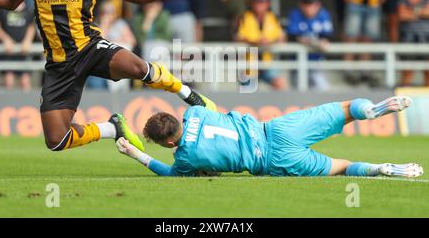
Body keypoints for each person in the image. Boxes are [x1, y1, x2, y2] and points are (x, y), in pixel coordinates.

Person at [0, 0, 214, 153]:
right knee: (56, 140)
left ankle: (187, 93)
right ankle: (112, 128)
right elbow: (10, 0)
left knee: (139, 68)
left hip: (90, 48)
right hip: (60, 65)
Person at [116, 94, 423, 178]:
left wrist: (135, 154)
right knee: (346, 108)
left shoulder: (185, 158)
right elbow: (199, 101)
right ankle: (369, 110)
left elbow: (169, 173)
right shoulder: (195, 113)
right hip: (275, 128)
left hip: (273, 161)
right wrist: (180, 89)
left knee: (341, 166)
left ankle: (377, 169)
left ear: (168, 143)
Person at [235, 0, 287, 90]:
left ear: (268, 4)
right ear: (252, 4)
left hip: (268, 61)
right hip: (249, 63)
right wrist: (255, 42)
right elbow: (237, 37)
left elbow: (282, 37)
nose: (260, 5)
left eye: (262, 2)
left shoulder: (273, 17)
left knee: (280, 83)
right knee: (247, 91)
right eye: (257, 2)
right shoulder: (243, 17)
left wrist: (270, 42)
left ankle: (275, 105)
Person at [86, 1, 137, 90]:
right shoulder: (96, 25)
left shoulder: (120, 23)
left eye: (111, 12)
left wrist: (113, 42)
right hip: (101, 60)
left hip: (119, 60)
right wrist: (105, 24)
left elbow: (132, 41)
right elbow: (100, 41)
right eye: (105, 12)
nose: (108, 15)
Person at [287, 0, 333, 91]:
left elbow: (328, 36)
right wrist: (307, 40)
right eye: (307, 5)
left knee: (322, 89)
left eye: (312, 5)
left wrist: (322, 41)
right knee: (297, 92)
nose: (310, 8)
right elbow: (291, 35)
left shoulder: (323, 15)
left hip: (316, 60)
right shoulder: (295, 14)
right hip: (297, 61)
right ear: (301, 5)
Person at [0, 1, 36, 91]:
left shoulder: (28, 10)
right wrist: (5, 39)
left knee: (25, 81)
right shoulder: (4, 9)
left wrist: (28, 40)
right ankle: (7, 104)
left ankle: (27, 105)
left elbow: (32, 27)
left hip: (23, 52)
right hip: (8, 52)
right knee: (9, 80)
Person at [397, 0, 429, 87]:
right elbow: (401, 15)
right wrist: (420, 11)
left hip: (425, 37)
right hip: (408, 37)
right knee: (407, 69)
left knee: (427, 69)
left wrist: (412, 11)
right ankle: (404, 99)